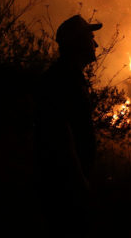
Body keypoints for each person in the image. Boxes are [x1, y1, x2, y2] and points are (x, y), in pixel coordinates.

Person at [34, 14, 101, 236]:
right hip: (65, 186)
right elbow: (61, 136)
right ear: (79, 42)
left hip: (68, 182)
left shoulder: (69, 76)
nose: (96, 44)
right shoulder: (62, 80)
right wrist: (79, 180)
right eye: (91, 38)